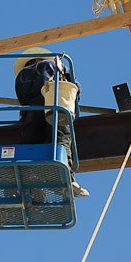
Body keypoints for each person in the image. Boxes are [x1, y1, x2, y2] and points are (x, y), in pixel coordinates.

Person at [14, 47, 89, 198]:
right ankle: (67, 178)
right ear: (38, 58)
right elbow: (74, 87)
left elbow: (21, 99)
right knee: (61, 139)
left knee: (30, 144)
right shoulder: (53, 64)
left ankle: (27, 179)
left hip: (31, 111)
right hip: (54, 106)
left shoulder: (21, 76)